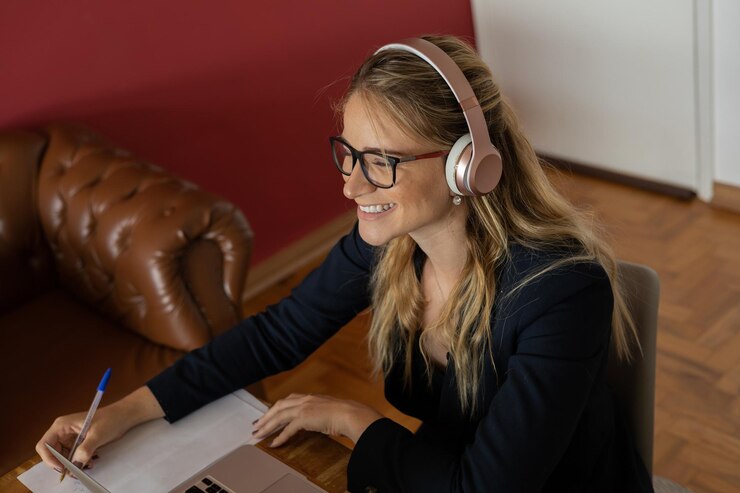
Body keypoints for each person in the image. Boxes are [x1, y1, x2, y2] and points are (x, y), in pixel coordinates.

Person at [37, 35, 654, 492]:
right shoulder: (390, 247)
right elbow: (277, 333)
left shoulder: (562, 290)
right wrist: (124, 413)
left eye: (381, 161)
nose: (352, 188)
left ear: (469, 164)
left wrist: (352, 419)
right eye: (349, 155)